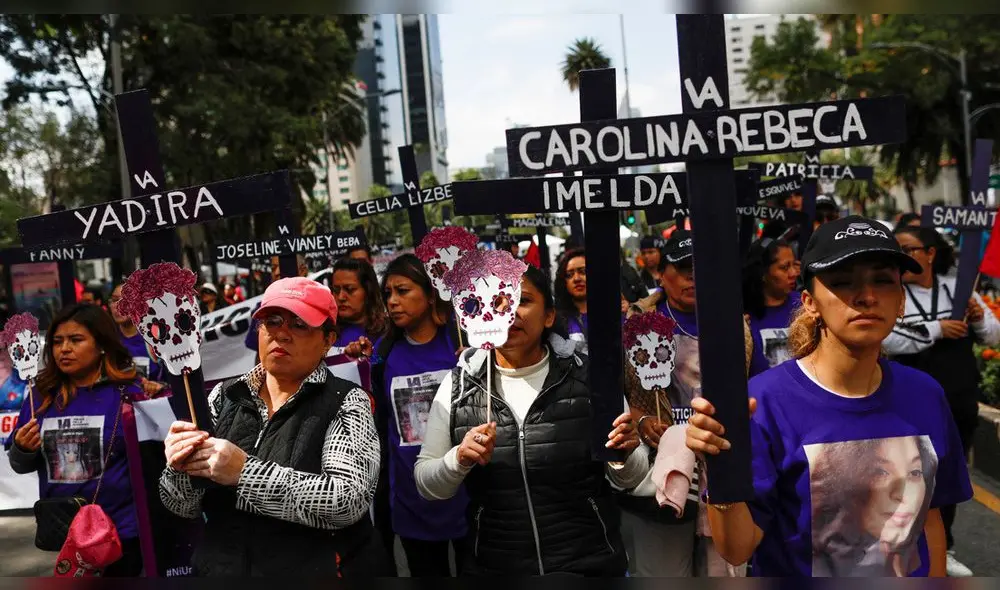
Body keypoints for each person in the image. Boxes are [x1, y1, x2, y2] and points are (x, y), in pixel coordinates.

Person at [686, 216, 974, 577]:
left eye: (883, 281)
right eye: (842, 283)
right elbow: (736, 548)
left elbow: (929, 520)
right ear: (809, 302)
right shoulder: (763, 403)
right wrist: (718, 466)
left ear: (901, 300)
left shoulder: (926, 395)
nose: (866, 296)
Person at [414, 264, 646, 575]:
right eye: (495, 302)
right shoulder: (458, 387)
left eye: (522, 301)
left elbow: (631, 478)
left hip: (589, 563)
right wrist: (458, 459)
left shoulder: (591, 378)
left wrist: (624, 455)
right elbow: (428, 485)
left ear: (549, 315)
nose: (508, 313)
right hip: (496, 567)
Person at [158, 277, 386, 577]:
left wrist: (244, 473)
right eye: (272, 321)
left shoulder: (347, 401)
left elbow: (347, 501)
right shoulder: (223, 397)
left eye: (300, 324)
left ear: (329, 339)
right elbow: (182, 505)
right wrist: (179, 468)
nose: (282, 333)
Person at [883, 225, 1000, 577]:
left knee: (947, 473)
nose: (903, 256)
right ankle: (900, 541)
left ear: (930, 253)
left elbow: (994, 333)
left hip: (959, 396)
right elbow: (889, 339)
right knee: (908, 472)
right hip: (907, 399)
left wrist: (979, 320)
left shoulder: (959, 289)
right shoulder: (894, 292)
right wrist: (937, 329)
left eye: (909, 249)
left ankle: (942, 545)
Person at [345, 254, 467, 577]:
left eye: (403, 291)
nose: (393, 302)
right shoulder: (383, 355)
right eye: (388, 294)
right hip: (413, 502)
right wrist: (356, 366)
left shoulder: (461, 346)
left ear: (430, 296)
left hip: (468, 496)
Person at [5, 304, 146, 576]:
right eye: (57, 342)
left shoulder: (130, 393)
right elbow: (20, 465)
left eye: (76, 340)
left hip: (122, 531)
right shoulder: (40, 397)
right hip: (64, 532)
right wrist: (22, 449)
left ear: (102, 345)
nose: (64, 349)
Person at [743, 238, 801, 376]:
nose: (794, 273)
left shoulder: (804, 305)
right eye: (784, 267)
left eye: (794, 265)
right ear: (763, 274)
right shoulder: (745, 317)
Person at [108, 283, 167, 395]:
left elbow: (176, 382)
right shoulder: (107, 340)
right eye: (114, 300)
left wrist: (160, 387)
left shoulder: (155, 337)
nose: (118, 306)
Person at [329, 258, 389, 355]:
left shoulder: (389, 331)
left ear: (368, 291)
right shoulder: (325, 333)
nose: (341, 297)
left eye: (349, 289)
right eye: (336, 290)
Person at [554, 249, 588, 353]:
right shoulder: (556, 319)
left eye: (583, 271)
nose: (577, 278)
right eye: (569, 275)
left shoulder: (615, 311)